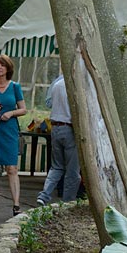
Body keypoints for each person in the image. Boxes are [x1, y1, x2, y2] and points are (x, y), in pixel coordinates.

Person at [0, 54, 27, 215]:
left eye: (2, 65)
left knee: (12, 167)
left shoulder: (15, 86)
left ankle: (16, 204)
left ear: (8, 68)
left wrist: (11, 113)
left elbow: (24, 109)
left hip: (9, 130)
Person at [37, 75, 81, 204]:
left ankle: (44, 195)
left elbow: (49, 103)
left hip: (55, 127)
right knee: (72, 171)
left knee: (56, 167)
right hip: (70, 129)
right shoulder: (75, 85)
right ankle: (68, 202)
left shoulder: (57, 84)